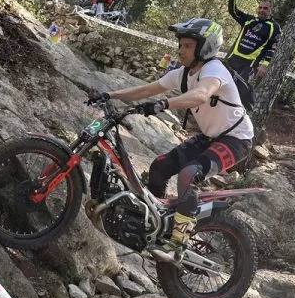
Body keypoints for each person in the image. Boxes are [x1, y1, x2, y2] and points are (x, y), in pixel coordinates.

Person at [87, 18, 254, 263]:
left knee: (188, 174)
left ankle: (178, 243)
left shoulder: (215, 69)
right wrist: (109, 94)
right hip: (210, 137)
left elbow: (201, 95)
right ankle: (155, 227)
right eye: (180, 45)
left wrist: (165, 104)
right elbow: (145, 90)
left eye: (187, 46)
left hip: (237, 139)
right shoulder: (183, 74)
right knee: (159, 167)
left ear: (204, 48)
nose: (181, 50)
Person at [226, 0, 281, 83]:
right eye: (260, 7)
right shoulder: (249, 20)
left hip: (248, 65)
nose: (261, 10)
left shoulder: (274, 27)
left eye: (265, 8)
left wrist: (265, 64)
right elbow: (233, 11)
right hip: (232, 59)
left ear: (271, 10)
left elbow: (273, 47)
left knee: (235, 91)